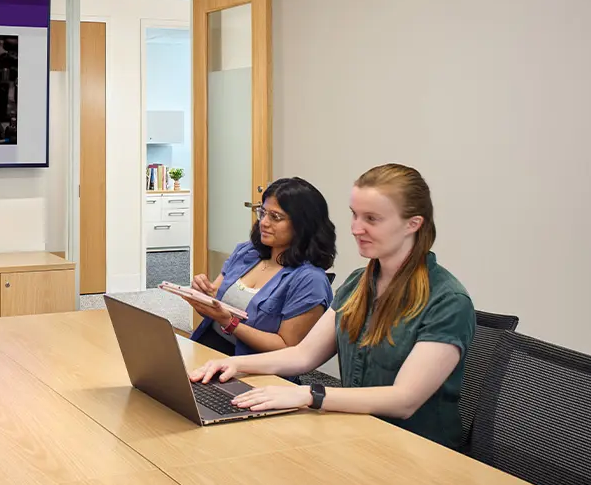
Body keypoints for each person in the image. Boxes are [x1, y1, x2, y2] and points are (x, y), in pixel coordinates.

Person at [190, 164, 475, 449]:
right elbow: (303, 355)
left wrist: (310, 395)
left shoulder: (448, 301)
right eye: (355, 214)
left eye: (372, 219)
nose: (356, 229)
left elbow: (404, 400)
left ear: (413, 224)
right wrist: (233, 363)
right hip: (356, 430)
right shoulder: (358, 284)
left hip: (418, 449)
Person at [185, 177, 336, 358]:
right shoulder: (247, 252)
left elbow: (288, 349)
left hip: (254, 365)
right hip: (208, 346)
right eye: (263, 213)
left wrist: (229, 322)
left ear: (303, 225)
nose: (264, 222)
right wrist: (201, 295)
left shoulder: (310, 280)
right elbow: (214, 302)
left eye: (275, 217)